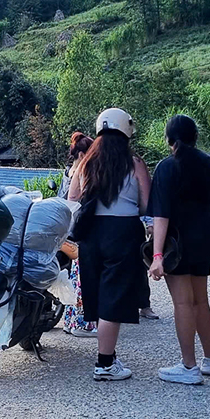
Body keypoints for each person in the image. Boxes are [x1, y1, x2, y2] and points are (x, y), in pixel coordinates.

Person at [68, 108, 151, 381]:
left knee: (98, 294)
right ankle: (104, 363)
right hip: (123, 232)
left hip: (90, 233)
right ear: (127, 131)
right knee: (113, 298)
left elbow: (73, 198)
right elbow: (146, 204)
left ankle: (109, 358)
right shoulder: (134, 163)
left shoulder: (86, 162)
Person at [148, 114, 210, 386]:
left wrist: (157, 256)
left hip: (176, 246)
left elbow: (161, 215)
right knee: (200, 301)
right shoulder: (208, 162)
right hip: (203, 242)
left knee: (183, 303)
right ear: (195, 137)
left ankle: (188, 366)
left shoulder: (165, 168)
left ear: (169, 140)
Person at [59, 132, 96, 337]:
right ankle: (82, 323)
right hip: (80, 229)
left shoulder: (69, 172)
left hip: (67, 229)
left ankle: (70, 320)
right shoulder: (84, 169)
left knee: (76, 276)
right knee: (84, 277)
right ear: (83, 154)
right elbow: (76, 200)